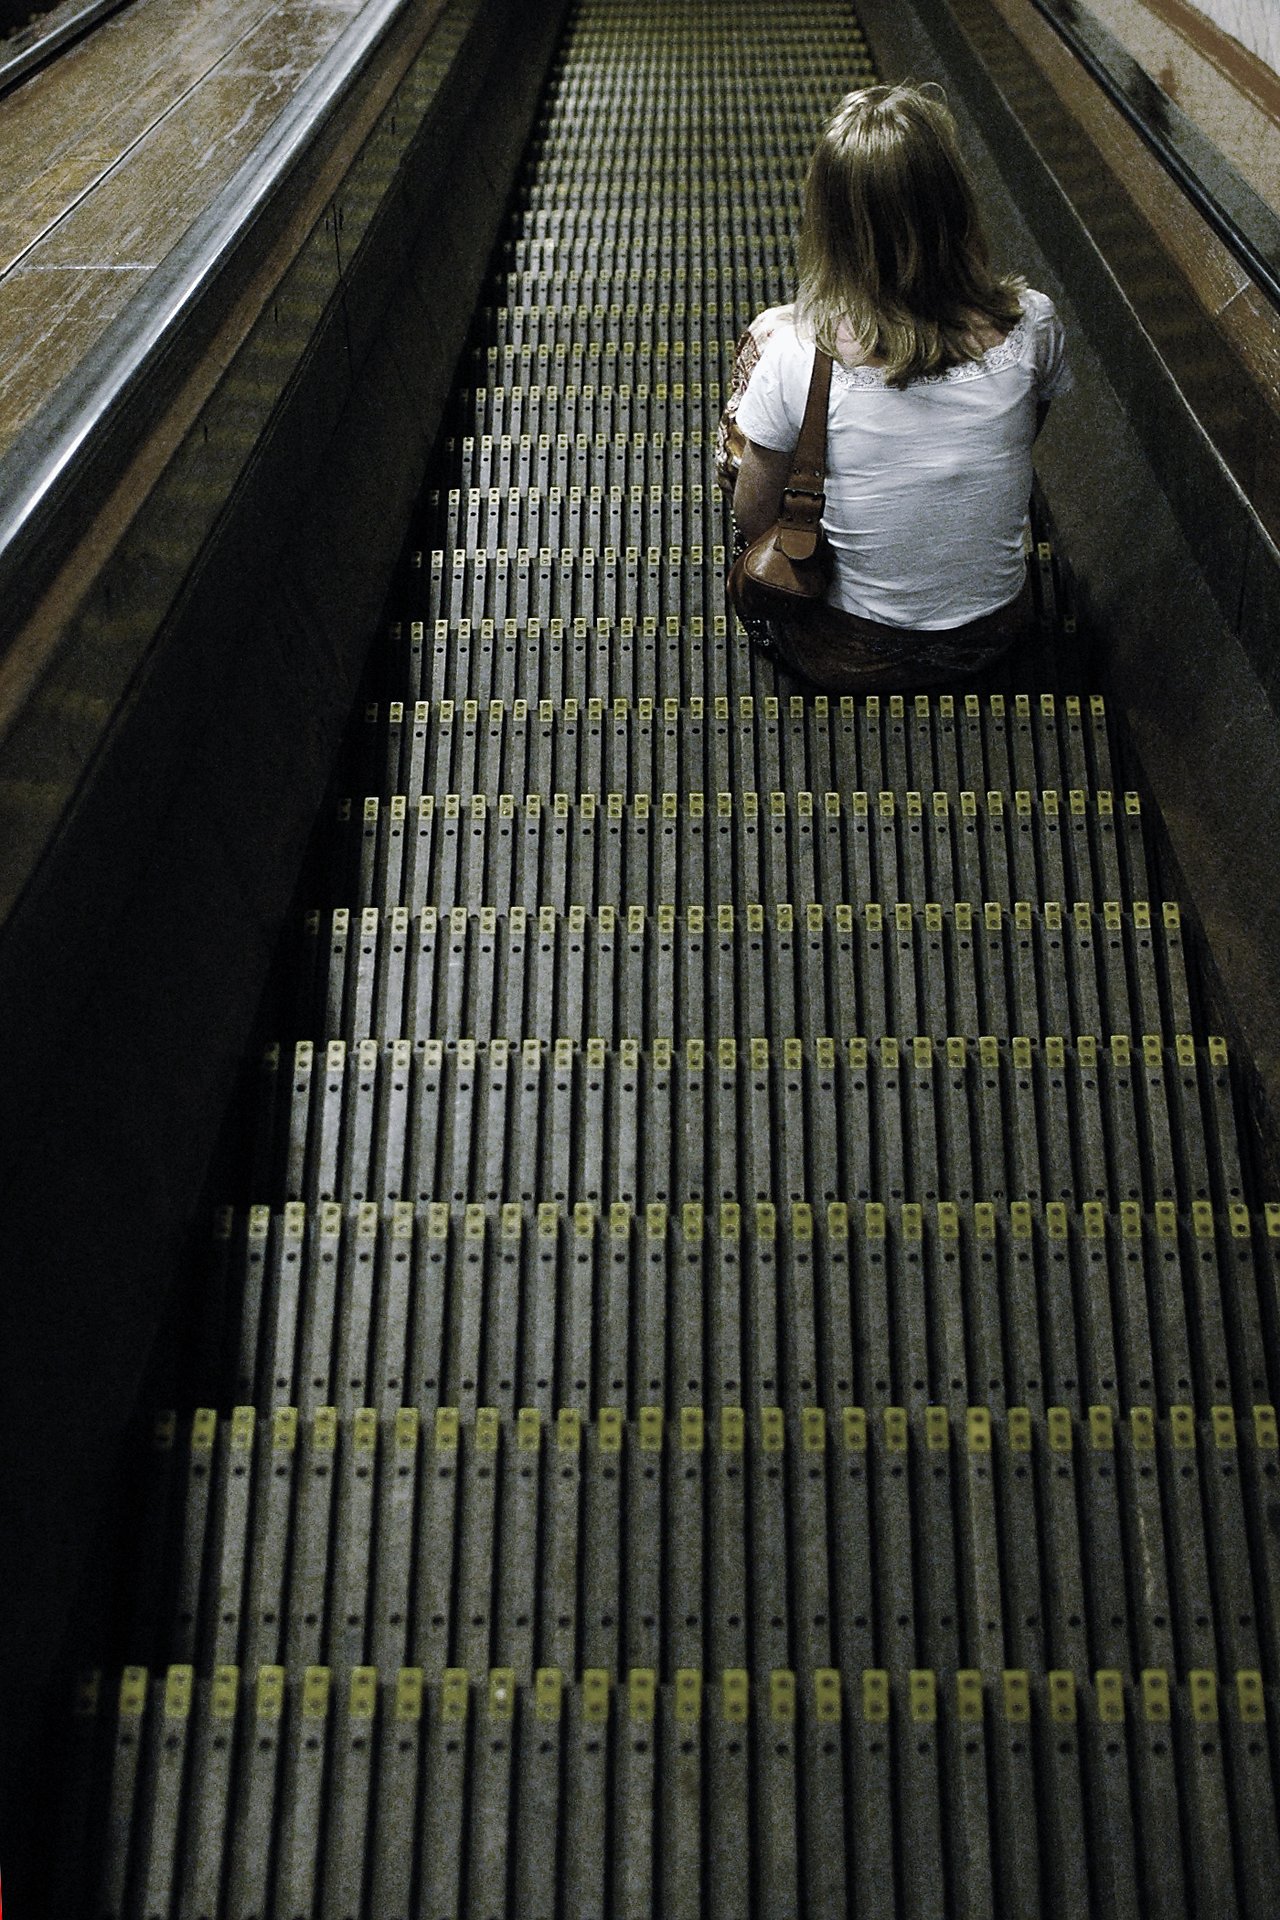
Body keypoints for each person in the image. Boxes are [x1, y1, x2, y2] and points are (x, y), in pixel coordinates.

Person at [730, 82, 1071, 692]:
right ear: (955, 201)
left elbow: (755, 514)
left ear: (830, 220)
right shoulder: (1032, 325)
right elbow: (1029, 432)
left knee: (763, 337)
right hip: (995, 636)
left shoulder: (795, 354)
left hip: (844, 650)